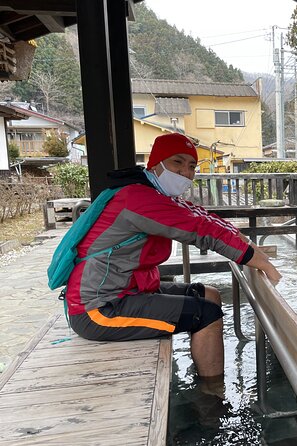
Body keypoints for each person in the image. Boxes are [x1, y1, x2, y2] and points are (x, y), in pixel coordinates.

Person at [65, 132, 281, 389]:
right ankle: (212, 397)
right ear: (155, 164)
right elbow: (200, 231)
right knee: (207, 314)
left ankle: (202, 365)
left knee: (209, 295)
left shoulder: (154, 193)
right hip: (99, 309)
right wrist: (263, 264)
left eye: (191, 166)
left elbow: (201, 216)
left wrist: (246, 243)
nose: (185, 172)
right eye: (177, 162)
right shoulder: (137, 198)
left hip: (130, 290)